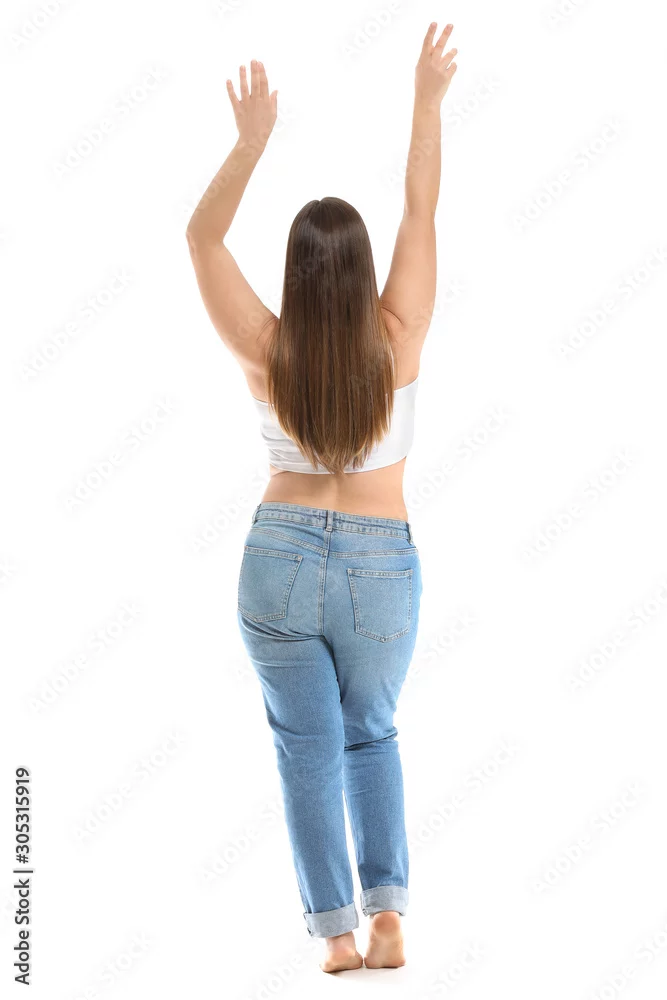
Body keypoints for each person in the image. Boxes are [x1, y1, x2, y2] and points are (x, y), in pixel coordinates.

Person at [186, 21, 458, 973]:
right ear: (362, 272)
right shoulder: (400, 331)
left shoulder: (267, 347)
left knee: (305, 748)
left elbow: (201, 237)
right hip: (380, 562)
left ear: (297, 277)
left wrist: (249, 143)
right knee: (369, 734)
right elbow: (419, 206)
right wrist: (425, 101)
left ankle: (335, 937)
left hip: (279, 560)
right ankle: (387, 919)